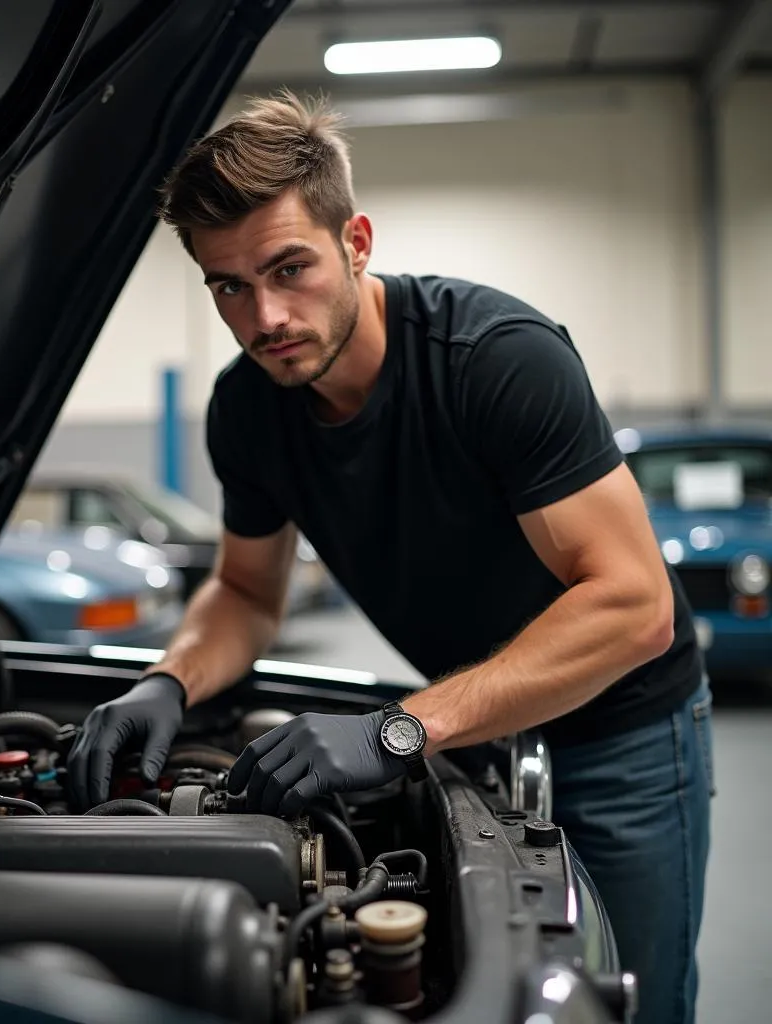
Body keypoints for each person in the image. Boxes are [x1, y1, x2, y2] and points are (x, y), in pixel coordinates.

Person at [66, 91, 712, 1024]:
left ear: (357, 240)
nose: (267, 316)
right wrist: (169, 679)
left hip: (623, 733)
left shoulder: (494, 359)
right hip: (475, 721)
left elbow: (632, 607)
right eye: (229, 286)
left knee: (631, 1007)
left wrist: (396, 731)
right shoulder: (246, 409)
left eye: (291, 267)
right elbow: (247, 591)